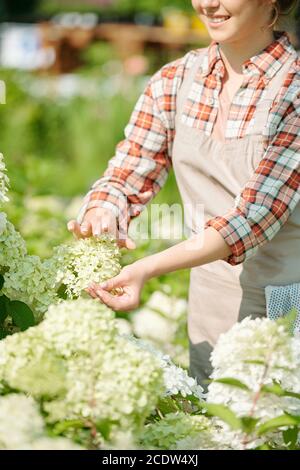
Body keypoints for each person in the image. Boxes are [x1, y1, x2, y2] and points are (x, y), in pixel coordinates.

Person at [68, 1, 300, 387]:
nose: (209, 3)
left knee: (273, 426)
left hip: (286, 305)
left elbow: (253, 216)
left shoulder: (294, 90)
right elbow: (128, 171)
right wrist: (104, 210)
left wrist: (147, 267)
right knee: (212, 427)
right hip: (209, 304)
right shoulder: (174, 81)